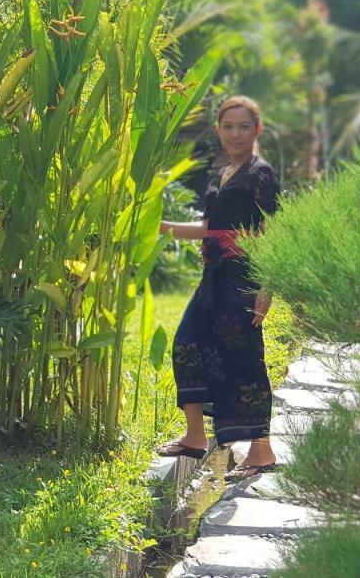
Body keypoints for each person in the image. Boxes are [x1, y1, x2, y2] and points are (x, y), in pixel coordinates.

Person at [156, 95, 281, 482]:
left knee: (244, 361)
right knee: (187, 344)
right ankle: (195, 436)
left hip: (243, 278)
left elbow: (272, 232)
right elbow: (209, 228)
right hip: (212, 278)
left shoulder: (261, 174)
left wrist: (267, 286)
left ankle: (261, 450)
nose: (235, 133)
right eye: (228, 126)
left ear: (257, 129)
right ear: (218, 131)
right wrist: (160, 226)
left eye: (244, 126)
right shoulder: (221, 171)